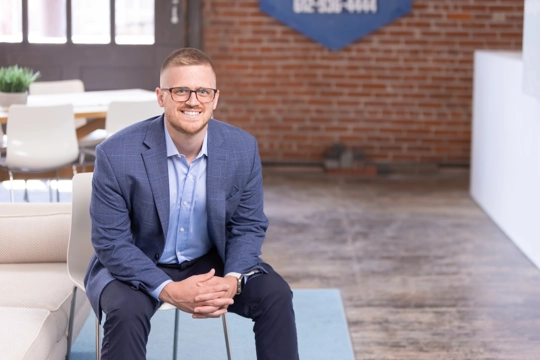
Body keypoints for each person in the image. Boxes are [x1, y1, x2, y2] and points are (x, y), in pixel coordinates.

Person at [84, 48, 299, 360]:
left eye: (203, 91)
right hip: (139, 259)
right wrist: (168, 288)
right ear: (161, 97)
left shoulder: (242, 149)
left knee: (276, 294)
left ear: (215, 98)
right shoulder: (116, 154)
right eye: (180, 90)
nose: (193, 100)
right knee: (126, 310)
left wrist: (232, 279)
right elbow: (111, 241)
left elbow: (248, 225)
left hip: (210, 260)